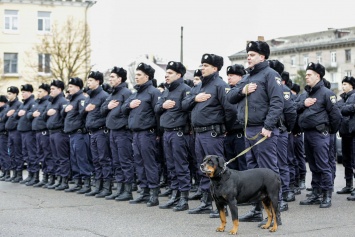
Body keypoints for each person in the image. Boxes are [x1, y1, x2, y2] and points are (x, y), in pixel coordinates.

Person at [227, 40, 284, 223]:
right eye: (248, 55)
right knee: (252, 174)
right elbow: (230, 97)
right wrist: (242, 90)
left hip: (263, 130)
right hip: (248, 130)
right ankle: (257, 210)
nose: (248, 58)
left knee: (268, 172)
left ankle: (276, 213)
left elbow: (277, 102)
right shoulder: (247, 77)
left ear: (262, 56)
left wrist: (268, 126)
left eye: (252, 55)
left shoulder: (270, 74)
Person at [182, 53, 235, 215]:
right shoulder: (197, 87)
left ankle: (222, 205)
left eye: (206, 65)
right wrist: (195, 99)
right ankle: (206, 202)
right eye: (202, 65)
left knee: (217, 170)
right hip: (198, 134)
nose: (202, 68)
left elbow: (231, 110)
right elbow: (184, 104)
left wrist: (225, 128)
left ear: (215, 68)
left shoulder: (220, 85)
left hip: (212, 133)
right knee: (203, 168)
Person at [298, 62, 341, 208]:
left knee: (323, 165)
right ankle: (315, 193)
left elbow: (336, 116)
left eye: (309, 75)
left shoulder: (327, 93)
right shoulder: (306, 95)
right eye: (306, 74)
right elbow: (295, 108)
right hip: (308, 134)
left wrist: (329, 132)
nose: (306, 77)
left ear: (318, 76)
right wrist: (303, 103)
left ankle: (327, 195)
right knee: (313, 166)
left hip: (320, 134)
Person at [122, 62, 161, 207]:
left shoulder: (153, 92)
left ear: (147, 76)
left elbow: (158, 114)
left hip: (148, 133)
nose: (136, 77)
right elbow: (123, 108)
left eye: (139, 75)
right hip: (136, 134)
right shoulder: (136, 93)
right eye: (136, 74)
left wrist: (158, 133)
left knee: (149, 163)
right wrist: (129, 105)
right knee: (139, 163)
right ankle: (143, 191)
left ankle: (153, 194)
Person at [155, 61, 191, 211]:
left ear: (179, 75)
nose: (166, 75)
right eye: (166, 72)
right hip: (167, 133)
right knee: (170, 166)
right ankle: (174, 194)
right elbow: (157, 108)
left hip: (179, 133)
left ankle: (184, 197)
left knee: (180, 165)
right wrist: (163, 106)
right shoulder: (166, 91)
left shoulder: (186, 89)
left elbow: (188, 109)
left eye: (170, 73)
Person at [100, 66, 135, 201]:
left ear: (120, 79)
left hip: (123, 132)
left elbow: (129, 110)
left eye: (113, 77)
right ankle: (120, 189)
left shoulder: (126, 93)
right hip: (112, 132)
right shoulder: (111, 94)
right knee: (116, 162)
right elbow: (102, 109)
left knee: (125, 161)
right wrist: (108, 107)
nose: (110, 79)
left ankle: (128, 190)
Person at [268, 60, 297, 212]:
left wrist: (287, 129)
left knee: (281, 163)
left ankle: (284, 193)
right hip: (270, 131)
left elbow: (291, 112)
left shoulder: (283, 89)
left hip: (280, 131)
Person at [83, 71, 112, 198]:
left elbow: (106, 115)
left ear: (98, 81)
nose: (88, 82)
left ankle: (107, 187)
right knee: (95, 160)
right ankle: (98, 185)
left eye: (90, 80)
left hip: (101, 131)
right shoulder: (89, 97)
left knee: (104, 159)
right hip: (92, 132)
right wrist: (85, 110)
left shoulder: (104, 96)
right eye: (88, 80)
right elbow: (83, 114)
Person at [62, 77, 94, 194]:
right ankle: (77, 182)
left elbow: (83, 115)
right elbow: (64, 114)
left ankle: (86, 183)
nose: (69, 89)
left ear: (78, 87)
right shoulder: (72, 100)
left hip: (80, 134)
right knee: (74, 159)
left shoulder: (81, 99)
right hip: (72, 134)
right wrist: (65, 110)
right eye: (69, 86)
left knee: (82, 158)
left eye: (71, 86)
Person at [44, 80, 71, 191]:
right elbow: (43, 117)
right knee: (55, 157)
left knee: (62, 157)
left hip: (60, 132)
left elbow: (65, 116)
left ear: (60, 90)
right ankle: (59, 179)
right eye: (50, 89)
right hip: (52, 132)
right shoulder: (51, 102)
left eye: (53, 89)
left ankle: (64, 180)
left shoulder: (63, 101)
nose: (51, 91)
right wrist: (47, 113)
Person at [27, 83, 52, 187]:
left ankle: (49, 177)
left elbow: (46, 115)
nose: (38, 93)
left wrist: (40, 114)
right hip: (36, 133)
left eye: (40, 91)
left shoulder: (48, 102)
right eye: (38, 91)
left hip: (44, 132)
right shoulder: (37, 103)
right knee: (40, 156)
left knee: (47, 156)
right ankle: (43, 177)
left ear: (46, 92)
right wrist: (33, 114)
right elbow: (28, 114)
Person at [337, 76, 355, 195]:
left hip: (353, 133)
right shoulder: (343, 98)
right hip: (345, 134)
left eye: (345, 84)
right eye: (342, 84)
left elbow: (350, 108)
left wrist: (342, 108)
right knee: (346, 160)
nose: (343, 86)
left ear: (351, 86)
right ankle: (348, 185)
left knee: (354, 161)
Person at [17, 84, 37, 185]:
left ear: (29, 92)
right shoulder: (23, 103)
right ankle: (30, 174)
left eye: (24, 92)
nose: (23, 94)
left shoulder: (32, 103)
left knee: (32, 154)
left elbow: (31, 115)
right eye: (22, 92)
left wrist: (23, 113)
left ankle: (35, 176)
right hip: (23, 132)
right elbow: (17, 113)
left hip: (29, 132)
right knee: (26, 154)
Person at [4, 86, 22, 182]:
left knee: (17, 153)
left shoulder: (19, 104)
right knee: (12, 153)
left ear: (15, 94)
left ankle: (19, 174)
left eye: (10, 93)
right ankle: (14, 173)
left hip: (16, 131)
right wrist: (7, 115)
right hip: (10, 132)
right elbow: (3, 118)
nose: (8, 95)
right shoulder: (9, 105)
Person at [0, 95, 10, 181]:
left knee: (4, 154)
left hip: (3, 134)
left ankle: (7, 172)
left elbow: (3, 121)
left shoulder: (5, 110)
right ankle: (4, 171)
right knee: (1, 155)